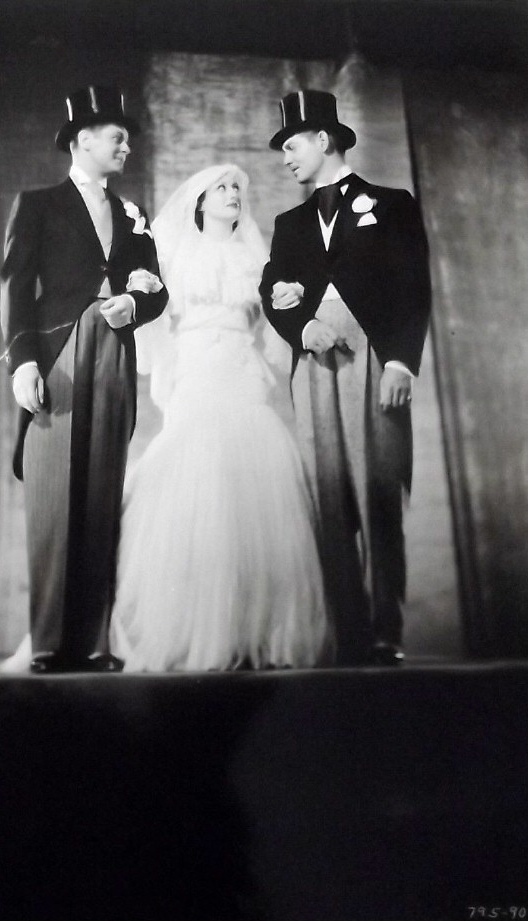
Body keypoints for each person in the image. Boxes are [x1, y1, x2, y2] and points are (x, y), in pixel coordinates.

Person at [109, 164, 328, 672]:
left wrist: (288, 302)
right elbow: (155, 317)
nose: (232, 195)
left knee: (256, 482)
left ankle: (254, 632)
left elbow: (277, 320)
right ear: (200, 203)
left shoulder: (257, 255)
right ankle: (189, 628)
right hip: (196, 368)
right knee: (198, 479)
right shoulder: (174, 252)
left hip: (241, 368)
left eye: (236, 189)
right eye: (221, 189)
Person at [0, 85, 168, 674]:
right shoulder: (38, 203)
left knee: (102, 493)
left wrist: (135, 306)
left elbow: (156, 285)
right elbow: (16, 289)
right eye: (117, 137)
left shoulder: (131, 212)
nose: (126, 146)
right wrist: (23, 361)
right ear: (83, 140)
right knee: (53, 502)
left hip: (114, 353)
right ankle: (48, 644)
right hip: (58, 355)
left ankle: (94, 642)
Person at [260, 90, 432, 666]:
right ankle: (348, 633)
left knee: (380, 488)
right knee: (327, 495)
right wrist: (298, 323)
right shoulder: (289, 222)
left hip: (376, 356)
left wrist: (403, 361)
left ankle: (386, 630)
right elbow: (273, 291)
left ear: (323, 140)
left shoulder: (392, 204)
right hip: (314, 363)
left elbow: (414, 288)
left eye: (291, 145)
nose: (285, 158)